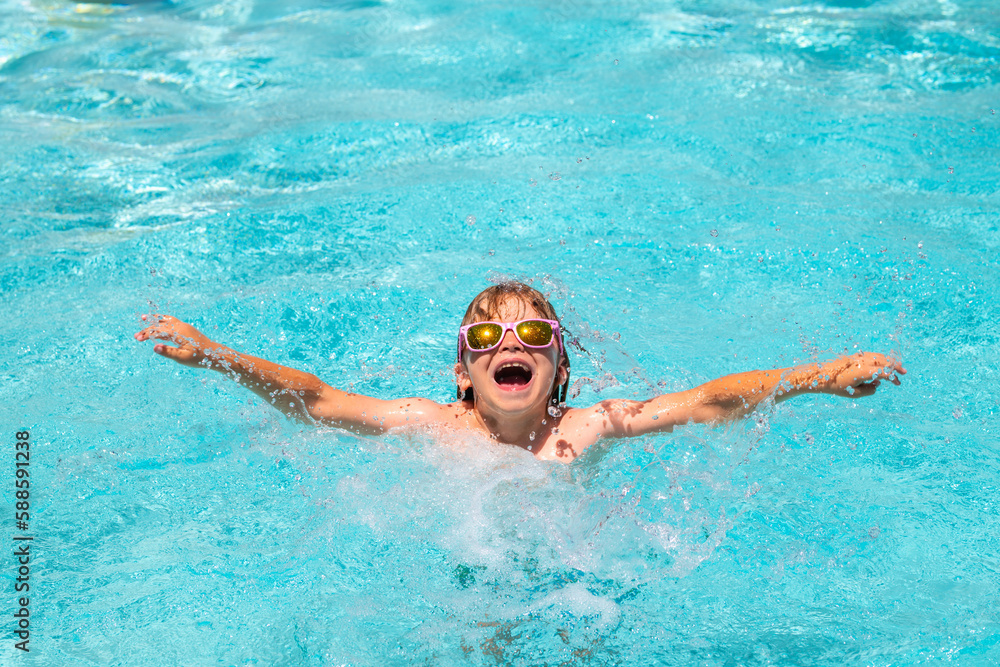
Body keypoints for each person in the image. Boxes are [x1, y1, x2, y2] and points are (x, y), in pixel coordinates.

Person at [134, 281, 905, 462]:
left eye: (534, 331)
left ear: (559, 364)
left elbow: (707, 402)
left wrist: (819, 377)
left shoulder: (590, 424)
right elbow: (318, 400)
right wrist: (219, 357)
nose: (513, 343)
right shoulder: (429, 422)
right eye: (489, 334)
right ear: (464, 371)